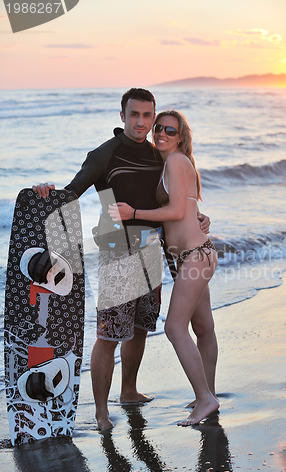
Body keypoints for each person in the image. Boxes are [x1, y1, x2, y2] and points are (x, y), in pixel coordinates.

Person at [32, 88, 210, 431]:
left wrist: (199, 218)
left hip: (151, 251)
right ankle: (101, 411)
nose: (141, 122)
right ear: (122, 116)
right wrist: (46, 191)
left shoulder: (159, 154)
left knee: (142, 326)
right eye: (134, 115)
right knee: (109, 334)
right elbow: (71, 193)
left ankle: (129, 391)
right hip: (118, 253)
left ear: (153, 117)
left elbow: (177, 199)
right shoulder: (104, 154)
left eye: (148, 116)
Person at [109, 110, 219, 426]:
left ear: (181, 136)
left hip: (195, 256)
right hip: (197, 254)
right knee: (203, 328)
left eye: (169, 130)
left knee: (174, 327)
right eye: (158, 127)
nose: (161, 133)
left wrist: (132, 213)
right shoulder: (173, 163)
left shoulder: (176, 161)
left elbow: (176, 209)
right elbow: (189, 208)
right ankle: (207, 394)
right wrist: (201, 219)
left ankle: (205, 399)